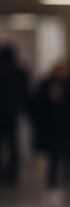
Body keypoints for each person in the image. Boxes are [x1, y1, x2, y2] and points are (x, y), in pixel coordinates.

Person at [31, 62, 70, 206]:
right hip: (53, 130)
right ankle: (52, 187)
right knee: (54, 160)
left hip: (69, 129)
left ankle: (69, 183)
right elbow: (37, 107)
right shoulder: (46, 86)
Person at [0, 44, 29, 188]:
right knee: (13, 145)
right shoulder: (18, 71)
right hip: (12, 113)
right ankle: (12, 175)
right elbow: (24, 93)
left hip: (7, 112)